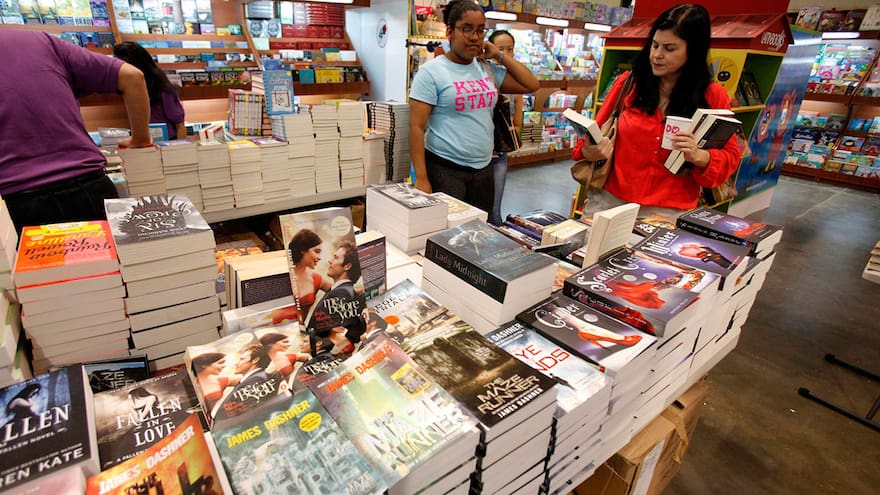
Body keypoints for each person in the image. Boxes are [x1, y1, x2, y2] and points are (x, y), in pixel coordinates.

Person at [572, 4, 740, 217]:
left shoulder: (712, 96)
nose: (657, 55)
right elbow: (587, 140)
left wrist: (699, 155)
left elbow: (731, 156)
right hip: (610, 203)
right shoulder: (629, 84)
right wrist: (590, 150)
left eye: (669, 49)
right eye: (655, 45)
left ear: (693, 51)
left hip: (668, 212)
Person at [0, 30, 153, 234]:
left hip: (21, 198)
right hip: (88, 185)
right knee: (112, 263)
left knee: (50, 266)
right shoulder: (39, 41)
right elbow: (132, 76)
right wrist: (140, 139)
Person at [409, 0, 539, 213]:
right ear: (450, 32)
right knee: (446, 236)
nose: (474, 36)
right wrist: (421, 178)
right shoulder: (431, 72)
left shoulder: (486, 69)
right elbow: (416, 127)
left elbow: (531, 84)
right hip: (445, 167)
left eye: (480, 30)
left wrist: (498, 54)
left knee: (478, 232)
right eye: (466, 29)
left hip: (484, 168)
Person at [486, 30, 524, 225]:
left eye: (510, 49)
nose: (506, 53)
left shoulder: (516, 82)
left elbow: (518, 117)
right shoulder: (485, 73)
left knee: (494, 208)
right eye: (500, 49)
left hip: (500, 152)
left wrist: (511, 134)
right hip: (479, 151)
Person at [113, 41, 187, 140]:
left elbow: (180, 125)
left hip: (167, 145)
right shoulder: (128, 88)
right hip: (143, 144)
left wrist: (179, 150)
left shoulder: (162, 89)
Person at [306, 241, 367, 356]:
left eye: (335, 258)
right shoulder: (342, 291)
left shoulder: (341, 293)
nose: (330, 261)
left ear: (347, 266)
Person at [287, 229, 333, 319]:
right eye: (316, 251)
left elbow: (343, 291)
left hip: (304, 330)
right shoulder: (282, 274)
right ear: (303, 250)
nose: (319, 258)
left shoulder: (316, 279)